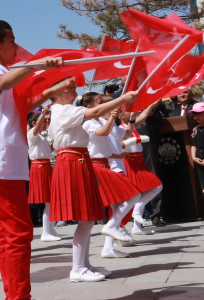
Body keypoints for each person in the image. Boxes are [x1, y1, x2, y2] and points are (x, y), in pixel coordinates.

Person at [0, 19, 70, 299]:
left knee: (9, 236)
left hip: (5, 165)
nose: (17, 47)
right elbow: (3, 83)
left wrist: (50, 91)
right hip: (3, 166)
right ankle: (18, 296)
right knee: (18, 235)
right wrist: (36, 64)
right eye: (12, 41)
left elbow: (21, 105)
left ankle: (15, 294)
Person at [48, 82, 138, 282]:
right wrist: (122, 99)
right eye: (69, 88)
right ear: (57, 93)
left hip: (78, 159)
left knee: (87, 218)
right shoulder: (63, 110)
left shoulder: (62, 110)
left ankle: (84, 265)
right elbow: (95, 111)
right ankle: (78, 268)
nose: (74, 90)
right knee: (85, 217)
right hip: (72, 160)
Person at [81, 92, 140, 259]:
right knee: (133, 195)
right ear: (91, 108)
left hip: (106, 164)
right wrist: (110, 118)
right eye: (102, 103)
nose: (108, 107)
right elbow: (102, 134)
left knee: (117, 206)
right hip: (98, 166)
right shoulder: (88, 122)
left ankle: (108, 247)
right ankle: (113, 226)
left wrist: (131, 118)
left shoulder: (104, 122)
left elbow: (125, 134)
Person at [119, 107, 163, 234]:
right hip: (130, 162)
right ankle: (136, 212)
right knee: (153, 187)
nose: (132, 111)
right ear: (122, 115)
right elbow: (120, 144)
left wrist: (153, 103)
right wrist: (136, 140)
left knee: (147, 189)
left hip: (139, 160)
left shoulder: (131, 126)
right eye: (128, 110)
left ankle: (137, 226)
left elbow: (144, 115)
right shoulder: (120, 128)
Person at [27, 109, 61, 242]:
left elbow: (52, 147)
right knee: (48, 201)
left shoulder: (44, 135)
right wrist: (43, 113)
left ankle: (50, 228)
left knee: (51, 200)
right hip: (39, 166)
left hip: (46, 166)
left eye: (48, 119)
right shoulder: (32, 133)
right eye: (45, 120)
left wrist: (50, 131)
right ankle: (45, 232)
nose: (47, 122)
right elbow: (36, 130)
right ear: (35, 122)